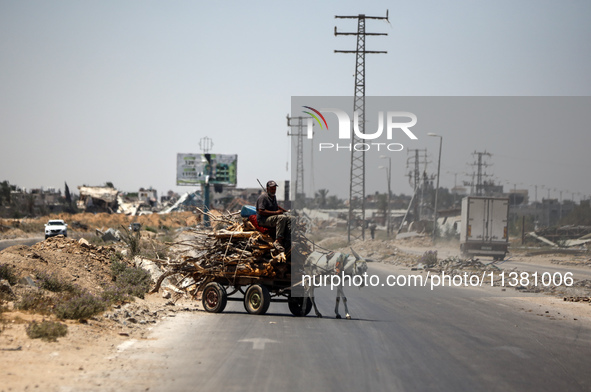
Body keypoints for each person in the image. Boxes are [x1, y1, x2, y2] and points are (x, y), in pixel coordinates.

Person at [256, 180, 290, 252]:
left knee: (291, 218)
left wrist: (286, 211)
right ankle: (278, 241)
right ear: (267, 188)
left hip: (271, 218)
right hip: (263, 220)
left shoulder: (273, 197)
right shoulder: (263, 197)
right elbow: (261, 211)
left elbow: (276, 207)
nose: (273, 191)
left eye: (274, 189)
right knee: (282, 217)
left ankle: (288, 238)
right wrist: (276, 212)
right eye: (272, 189)